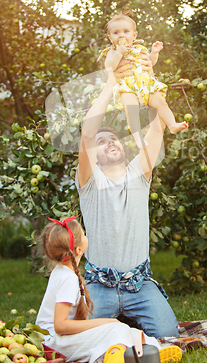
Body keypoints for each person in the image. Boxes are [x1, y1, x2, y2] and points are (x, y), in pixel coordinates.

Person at [75, 63, 180, 339]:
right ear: (94, 155)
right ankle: (118, 324)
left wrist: (149, 81)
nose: (110, 142)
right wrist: (111, 84)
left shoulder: (138, 174)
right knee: (79, 339)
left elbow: (156, 131)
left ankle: (123, 322)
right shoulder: (89, 181)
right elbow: (87, 134)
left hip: (139, 283)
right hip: (99, 286)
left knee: (168, 334)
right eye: (102, 141)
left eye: (114, 138)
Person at [36, 217, 182, 363]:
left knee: (130, 331)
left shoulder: (64, 272)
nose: (86, 236)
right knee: (114, 329)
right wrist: (104, 322)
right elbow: (60, 326)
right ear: (78, 250)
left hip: (58, 339)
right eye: (84, 234)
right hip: (52, 344)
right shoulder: (67, 278)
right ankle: (114, 360)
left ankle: (153, 350)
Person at [97, 11, 188, 148]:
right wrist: (119, 52)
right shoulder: (112, 52)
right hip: (128, 88)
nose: (121, 35)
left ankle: (172, 124)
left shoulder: (139, 48)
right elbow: (110, 66)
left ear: (134, 35)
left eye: (126, 31)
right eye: (116, 33)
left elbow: (150, 63)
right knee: (131, 109)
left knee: (161, 102)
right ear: (110, 38)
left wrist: (154, 53)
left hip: (147, 86)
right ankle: (138, 136)